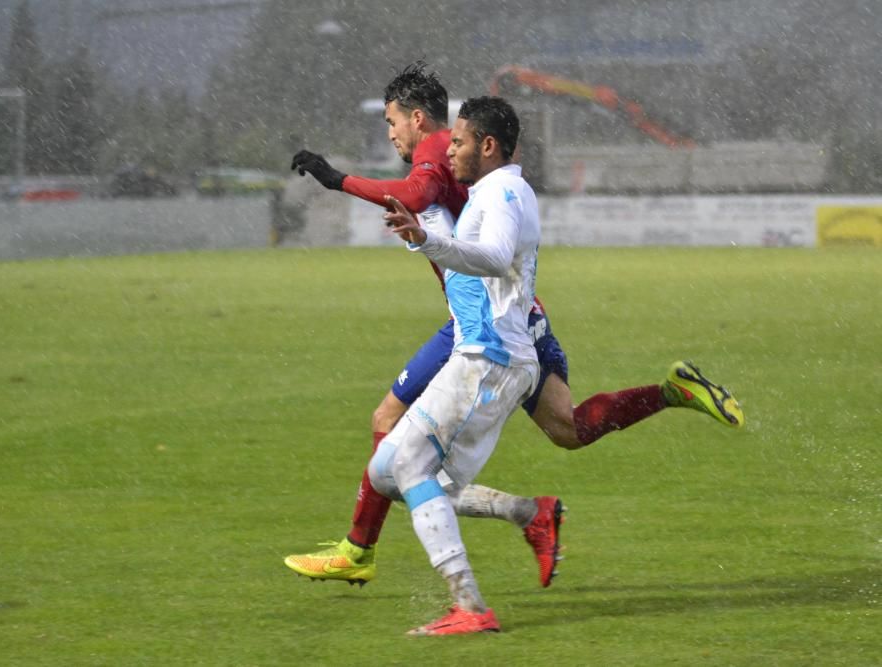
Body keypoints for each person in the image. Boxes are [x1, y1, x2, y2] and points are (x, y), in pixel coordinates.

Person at [285, 62, 743, 591]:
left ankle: (362, 549)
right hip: (485, 320)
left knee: (396, 428)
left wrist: (335, 179)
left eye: (392, 122)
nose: (390, 134)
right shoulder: (446, 156)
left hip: (496, 324)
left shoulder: (435, 149)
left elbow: (412, 199)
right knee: (564, 429)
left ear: (418, 119)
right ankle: (649, 411)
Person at [371, 95, 545, 634]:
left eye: (462, 142)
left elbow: (493, 257)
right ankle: (525, 512)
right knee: (387, 473)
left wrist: (427, 239)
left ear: (488, 147)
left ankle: (470, 606)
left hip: (489, 360)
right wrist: (427, 232)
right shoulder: (490, 191)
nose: (451, 150)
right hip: (478, 356)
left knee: (410, 469)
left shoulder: (505, 191)